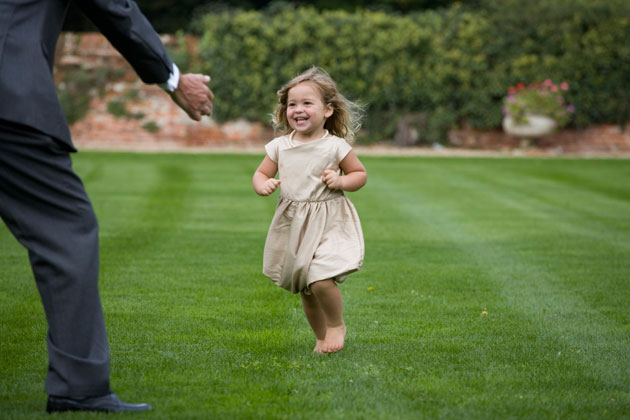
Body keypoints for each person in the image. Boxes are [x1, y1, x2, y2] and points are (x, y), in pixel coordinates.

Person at [0, 0, 214, 413]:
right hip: (10, 99)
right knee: (67, 230)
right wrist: (173, 79)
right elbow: (114, 7)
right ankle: (78, 385)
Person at [252, 67, 366, 354]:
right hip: (294, 222)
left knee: (319, 277)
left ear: (328, 110)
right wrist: (262, 185)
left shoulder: (335, 146)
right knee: (306, 284)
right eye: (292, 104)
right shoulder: (279, 146)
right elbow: (260, 174)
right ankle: (320, 336)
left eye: (307, 103)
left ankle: (336, 325)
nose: (298, 110)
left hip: (329, 219)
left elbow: (359, 174)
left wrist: (341, 180)